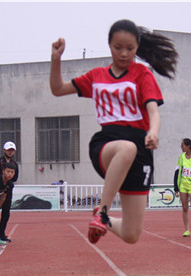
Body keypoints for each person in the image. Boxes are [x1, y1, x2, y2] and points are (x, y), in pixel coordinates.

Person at [50, 19, 177, 244]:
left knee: (131, 234)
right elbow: (58, 89)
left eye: (130, 49)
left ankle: (104, 219)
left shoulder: (142, 74)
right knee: (126, 148)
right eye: (118, 47)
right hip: (107, 145)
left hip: (141, 152)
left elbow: (153, 111)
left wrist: (154, 132)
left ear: (137, 47)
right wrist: (56, 58)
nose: (124, 53)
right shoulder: (96, 76)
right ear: (109, 45)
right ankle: (102, 213)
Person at [174, 138, 191, 237]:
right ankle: (187, 230)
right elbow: (177, 172)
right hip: (183, 185)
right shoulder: (181, 157)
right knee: (184, 207)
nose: (182, 147)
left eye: (183, 146)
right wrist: (176, 187)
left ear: (188, 146)